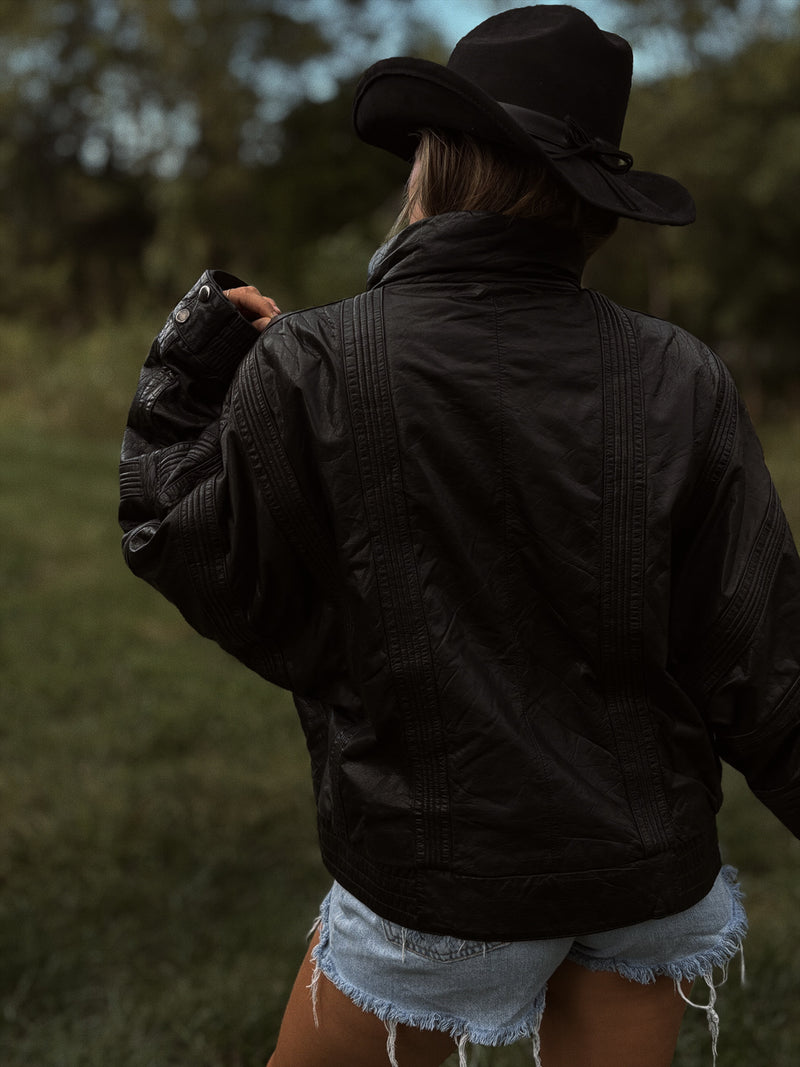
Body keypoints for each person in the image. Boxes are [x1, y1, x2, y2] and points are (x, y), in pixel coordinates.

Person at [119, 6, 800, 1066]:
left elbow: (194, 544)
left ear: (434, 164)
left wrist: (194, 370)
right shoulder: (680, 371)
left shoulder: (315, 363)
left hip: (437, 881)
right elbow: (762, 653)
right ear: (588, 200)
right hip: (648, 875)